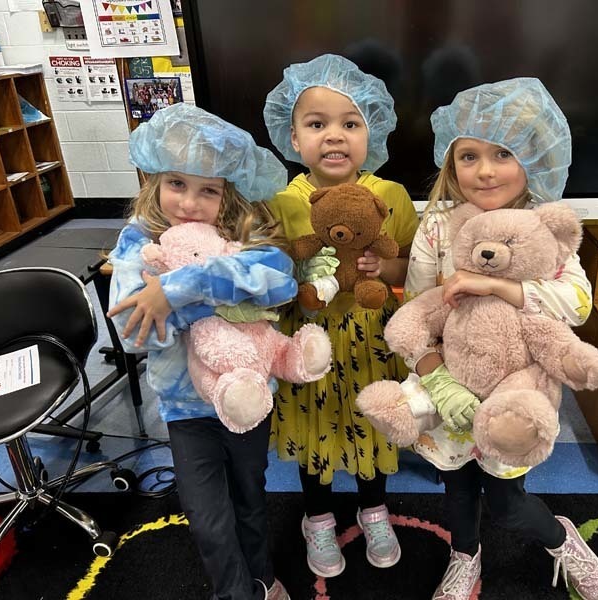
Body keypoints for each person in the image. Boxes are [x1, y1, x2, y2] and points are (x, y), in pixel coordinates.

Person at [404, 79, 598, 600]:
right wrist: (437, 378)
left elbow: (578, 303)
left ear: (534, 159)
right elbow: (416, 309)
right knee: (455, 488)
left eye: (503, 153)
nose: (485, 169)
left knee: (507, 500)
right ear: (451, 165)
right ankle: (465, 556)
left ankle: (560, 537)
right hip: (453, 381)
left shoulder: (545, 227)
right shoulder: (438, 226)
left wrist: (496, 284)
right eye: (468, 155)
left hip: (517, 391)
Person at [107, 103, 295, 600]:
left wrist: (177, 290)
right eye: (176, 184)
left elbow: (278, 281)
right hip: (186, 409)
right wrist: (217, 302)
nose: (189, 203)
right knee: (209, 520)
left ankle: (263, 577)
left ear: (227, 194)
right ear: (153, 182)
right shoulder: (136, 242)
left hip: (250, 399)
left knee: (252, 499)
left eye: (208, 190)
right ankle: (235, 593)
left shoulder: (240, 234)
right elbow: (131, 332)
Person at [263, 54, 419, 577]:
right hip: (311, 337)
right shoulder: (283, 201)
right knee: (315, 425)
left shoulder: (390, 195)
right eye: (317, 124)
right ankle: (318, 518)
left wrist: (386, 262)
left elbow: (411, 261)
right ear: (292, 137)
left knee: (375, 419)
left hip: (374, 335)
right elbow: (272, 268)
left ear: (370, 133)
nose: (334, 136)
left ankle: (374, 510)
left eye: (350, 124)